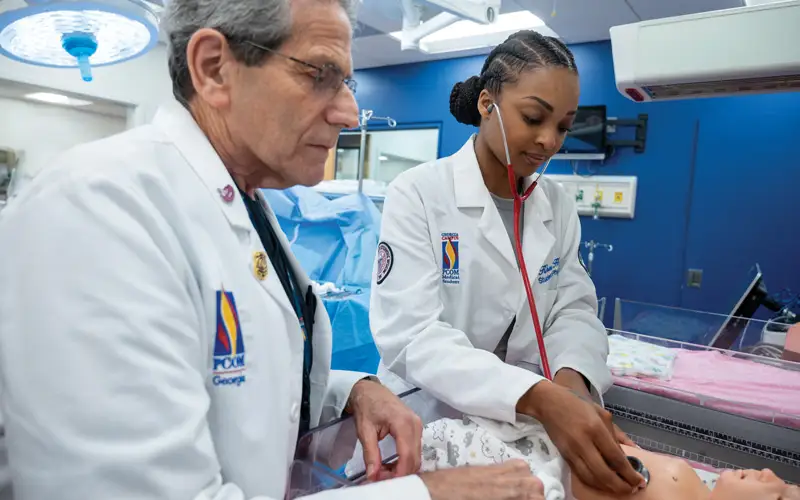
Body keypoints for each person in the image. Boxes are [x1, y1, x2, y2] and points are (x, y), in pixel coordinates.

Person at [0, 1, 545, 500]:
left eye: (347, 82)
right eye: (320, 76)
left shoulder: (242, 203)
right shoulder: (102, 209)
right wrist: (428, 495)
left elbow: (232, 380)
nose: (349, 112)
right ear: (214, 68)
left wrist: (351, 390)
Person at [370, 29, 645, 496]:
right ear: (486, 104)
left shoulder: (555, 205)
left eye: (563, 125)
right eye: (533, 117)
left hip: (525, 427)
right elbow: (411, 334)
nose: (548, 141)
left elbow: (573, 308)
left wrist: (571, 387)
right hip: (428, 420)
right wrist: (540, 398)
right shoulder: (419, 193)